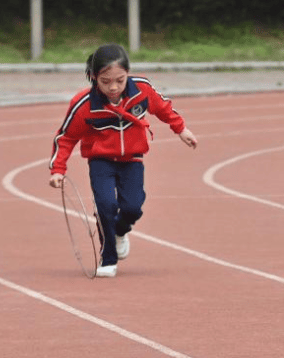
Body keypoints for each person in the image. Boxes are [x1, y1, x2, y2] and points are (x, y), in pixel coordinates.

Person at [49, 44, 198, 278]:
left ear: (128, 73)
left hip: (132, 159)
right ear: (94, 77)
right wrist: (58, 169)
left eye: (120, 80)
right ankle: (108, 258)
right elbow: (66, 138)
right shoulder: (84, 105)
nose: (113, 87)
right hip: (101, 161)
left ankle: (120, 230)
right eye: (105, 81)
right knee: (106, 206)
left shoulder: (142, 90)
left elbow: (163, 108)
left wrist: (181, 129)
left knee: (132, 207)